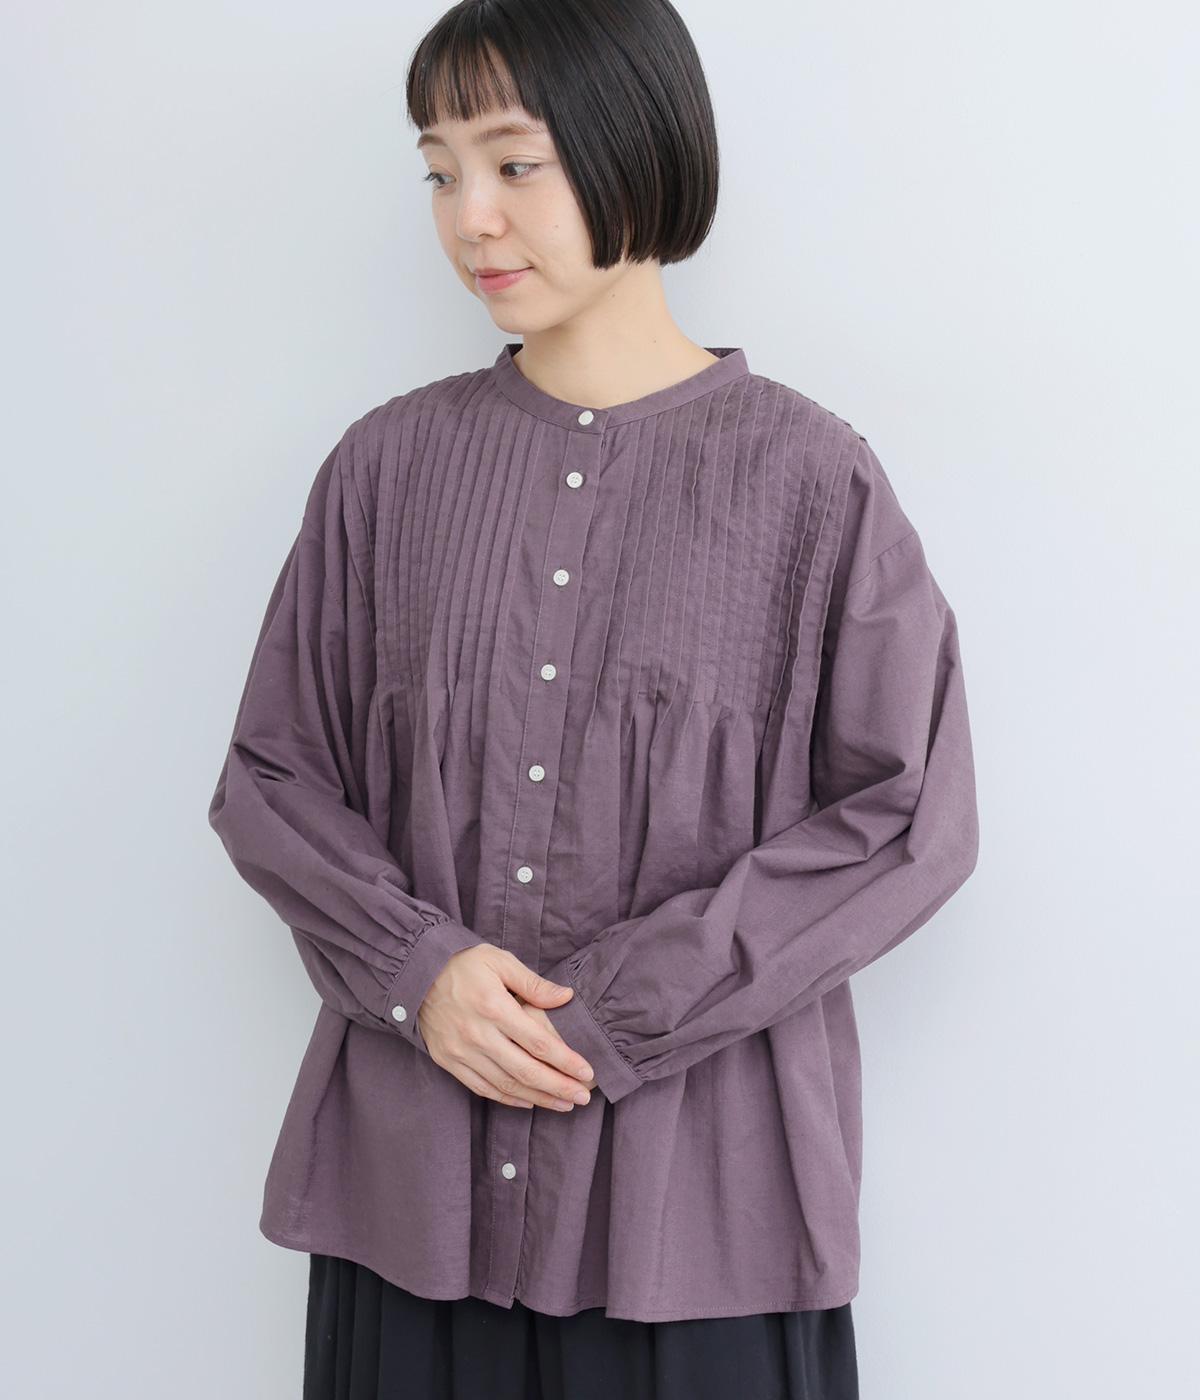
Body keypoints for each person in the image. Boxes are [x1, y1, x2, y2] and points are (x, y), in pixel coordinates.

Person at [207, 2, 980, 1396]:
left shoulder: (813, 483)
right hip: (417, 1210)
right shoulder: (385, 471)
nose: (470, 219)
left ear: (641, 146)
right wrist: (417, 969)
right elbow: (273, 778)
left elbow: (908, 816)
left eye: (516, 163)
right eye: (439, 171)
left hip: (701, 1226)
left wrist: (619, 1011)